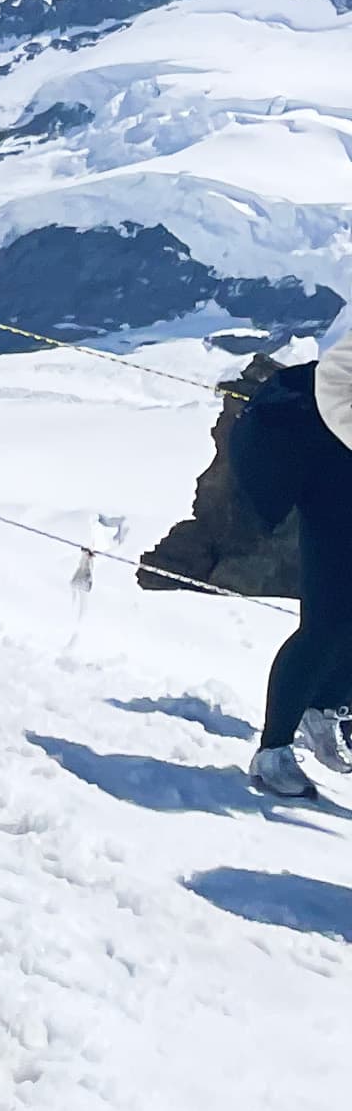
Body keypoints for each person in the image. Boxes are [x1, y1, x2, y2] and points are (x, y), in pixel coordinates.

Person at [247, 311, 352, 805]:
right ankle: (273, 752)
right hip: (333, 467)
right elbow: (335, 378)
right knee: (327, 621)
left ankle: (325, 709)